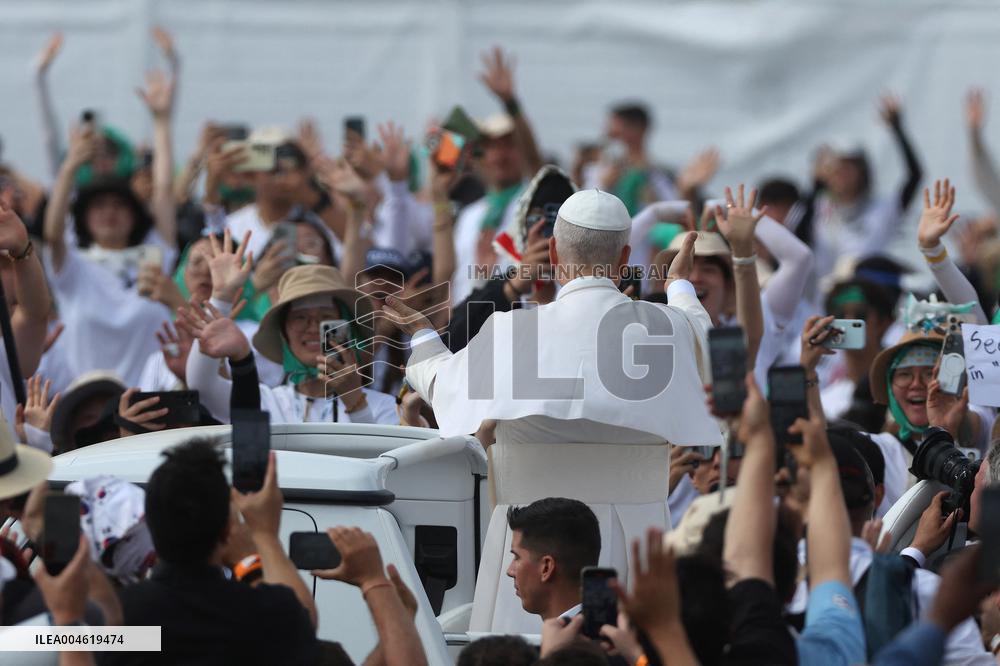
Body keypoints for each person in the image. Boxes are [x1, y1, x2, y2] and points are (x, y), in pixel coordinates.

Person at [384, 188, 722, 633]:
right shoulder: (665, 328)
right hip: (633, 538)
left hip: (531, 542)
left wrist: (425, 338)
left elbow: (440, 383)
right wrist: (679, 285)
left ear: (556, 252)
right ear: (624, 259)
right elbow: (703, 338)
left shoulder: (511, 329)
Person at [104, 439, 319, 665]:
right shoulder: (262, 615)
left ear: (150, 526)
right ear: (227, 530)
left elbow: (72, 646)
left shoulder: (121, 616)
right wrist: (262, 540)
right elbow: (304, 620)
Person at [183, 262, 399, 424]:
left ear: (348, 329)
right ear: (283, 334)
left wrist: (356, 404)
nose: (313, 326)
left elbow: (381, 470)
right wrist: (221, 297)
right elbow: (202, 386)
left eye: (326, 316)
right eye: (300, 317)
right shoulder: (264, 401)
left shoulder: (385, 407)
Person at [449, 46, 543, 305]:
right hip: (467, 332)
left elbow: (536, 163)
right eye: (492, 146)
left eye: (509, 144)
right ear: (480, 156)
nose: (500, 155)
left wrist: (511, 104)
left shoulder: (532, 201)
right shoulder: (470, 215)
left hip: (517, 327)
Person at [505, 498, 600, 621]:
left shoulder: (574, 639)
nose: (509, 571)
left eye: (517, 557)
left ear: (546, 567)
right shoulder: (606, 631)